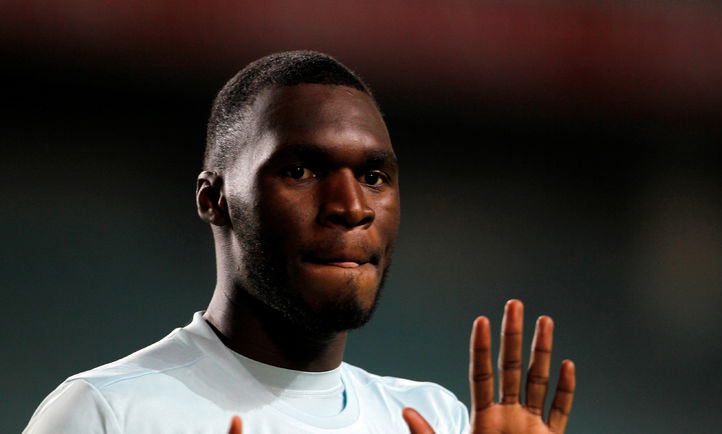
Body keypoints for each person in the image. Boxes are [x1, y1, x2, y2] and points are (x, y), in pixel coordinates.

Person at [24, 51, 575, 433]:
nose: (352, 207)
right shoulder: (106, 414)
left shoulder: (438, 419)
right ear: (214, 199)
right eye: (301, 171)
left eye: (374, 177)